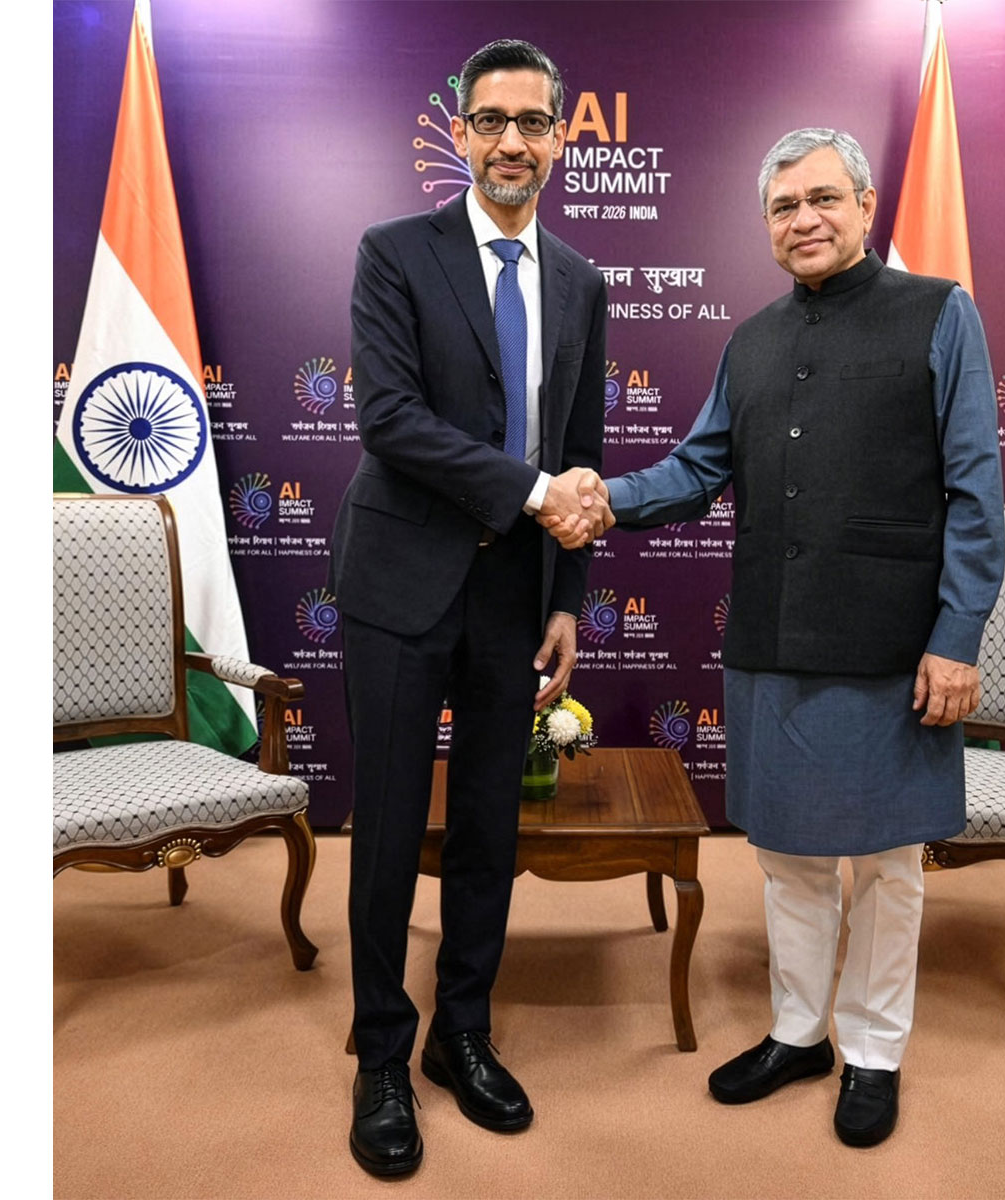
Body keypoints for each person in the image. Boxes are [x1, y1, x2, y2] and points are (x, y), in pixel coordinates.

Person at [548, 127, 1004, 1148]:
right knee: (790, 856)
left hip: (894, 645)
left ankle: (874, 1051)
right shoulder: (748, 340)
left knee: (886, 865)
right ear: (765, 225)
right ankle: (799, 1033)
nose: (804, 220)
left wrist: (958, 636)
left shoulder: (941, 314)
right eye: (783, 206)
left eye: (822, 199)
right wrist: (602, 499)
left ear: (865, 202)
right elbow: (695, 467)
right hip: (770, 638)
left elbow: (975, 492)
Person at [328, 38, 610, 1177]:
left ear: (559, 137)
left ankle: (463, 1034)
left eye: (532, 122)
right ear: (461, 134)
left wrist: (570, 597)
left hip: (513, 597)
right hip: (401, 586)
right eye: (488, 121)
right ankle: (383, 1057)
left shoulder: (584, 283)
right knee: (393, 826)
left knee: (491, 825)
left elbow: (582, 452)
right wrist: (538, 493)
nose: (509, 142)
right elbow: (388, 420)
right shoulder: (394, 254)